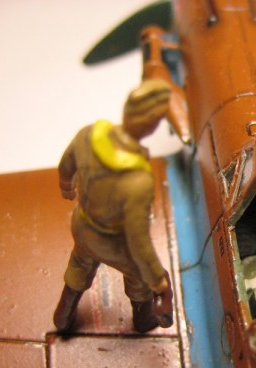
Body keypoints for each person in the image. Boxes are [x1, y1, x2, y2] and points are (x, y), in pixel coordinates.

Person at [53, 78, 172, 334]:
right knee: (140, 275)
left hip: (82, 225)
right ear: (151, 125)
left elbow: (66, 163)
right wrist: (157, 281)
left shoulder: (88, 134)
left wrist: (66, 186)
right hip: (111, 242)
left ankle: (63, 316)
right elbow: (139, 243)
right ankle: (143, 320)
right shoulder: (138, 181)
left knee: (80, 262)